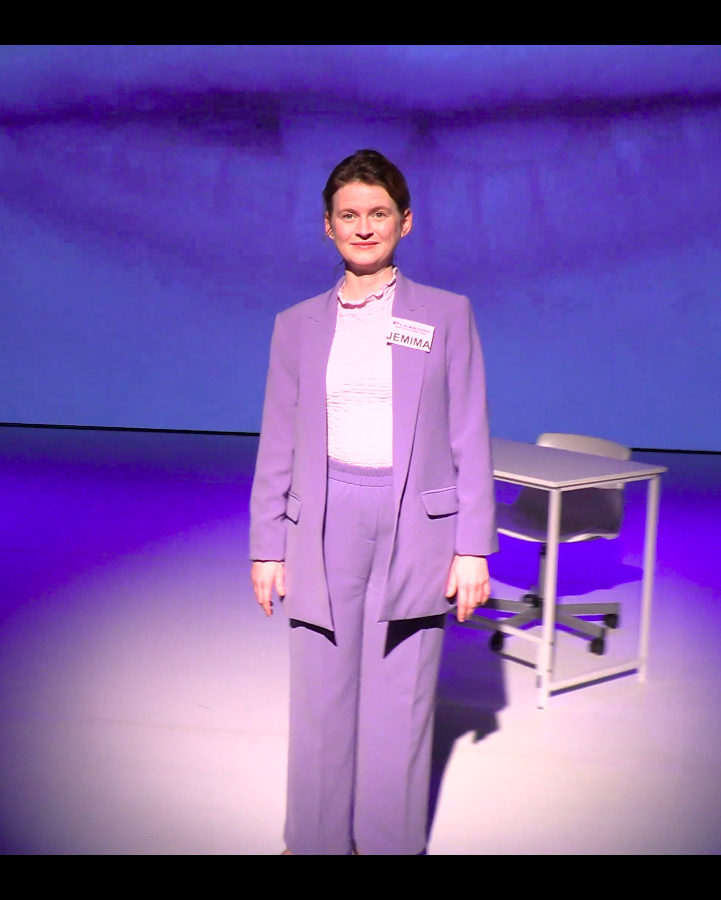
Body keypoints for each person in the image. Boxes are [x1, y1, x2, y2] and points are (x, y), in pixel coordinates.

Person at [249, 149, 496, 856]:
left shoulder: (447, 314)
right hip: (323, 519)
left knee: (402, 696)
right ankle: (316, 842)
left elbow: (468, 430)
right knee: (320, 697)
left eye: (378, 214)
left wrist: (472, 545)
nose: (364, 228)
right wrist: (267, 546)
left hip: (415, 521)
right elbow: (278, 440)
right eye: (349, 216)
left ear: (405, 222)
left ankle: (391, 845)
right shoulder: (295, 325)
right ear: (327, 227)